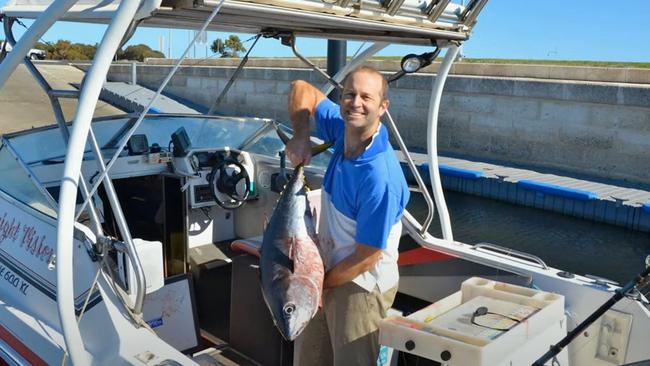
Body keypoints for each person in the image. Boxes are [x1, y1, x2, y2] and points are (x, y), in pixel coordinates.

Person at [285, 65, 410, 365]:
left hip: (360, 286)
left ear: (383, 107)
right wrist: (302, 135)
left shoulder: (379, 177)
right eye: (349, 94)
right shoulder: (343, 131)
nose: (356, 102)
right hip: (330, 270)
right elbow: (302, 89)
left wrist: (317, 285)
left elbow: (367, 257)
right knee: (310, 358)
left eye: (366, 97)